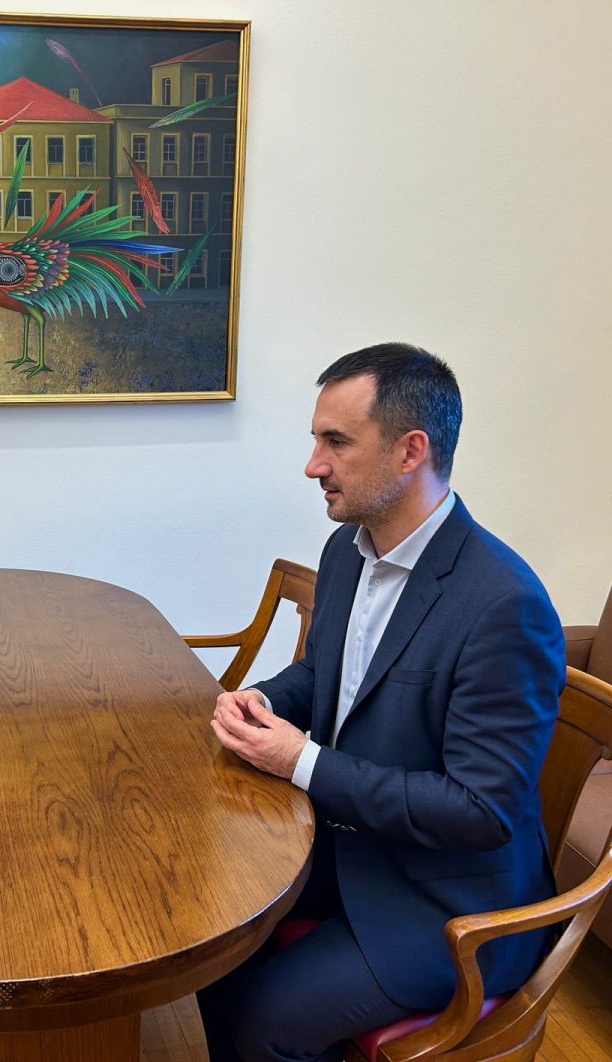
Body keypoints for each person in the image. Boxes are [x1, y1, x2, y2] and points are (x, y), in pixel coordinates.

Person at [197, 343, 565, 1061]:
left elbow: (481, 811)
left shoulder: (504, 605)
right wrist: (259, 700)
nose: (313, 466)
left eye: (336, 442)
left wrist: (300, 761)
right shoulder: (347, 552)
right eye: (316, 440)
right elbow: (324, 678)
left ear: (410, 452)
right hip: (355, 847)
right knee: (210, 930)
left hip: (452, 907)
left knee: (262, 1018)